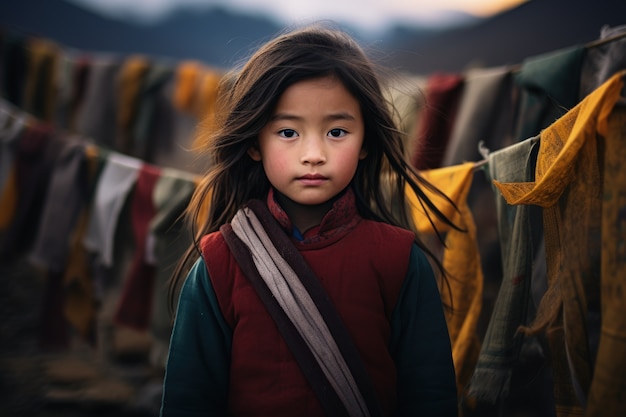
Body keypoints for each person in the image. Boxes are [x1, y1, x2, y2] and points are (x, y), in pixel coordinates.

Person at [160, 23, 458, 417]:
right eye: (288, 132)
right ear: (254, 144)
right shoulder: (219, 265)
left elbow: (431, 397)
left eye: (336, 131)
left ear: (366, 141)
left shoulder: (399, 261)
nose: (314, 154)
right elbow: (188, 401)